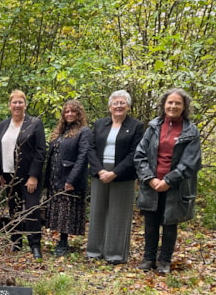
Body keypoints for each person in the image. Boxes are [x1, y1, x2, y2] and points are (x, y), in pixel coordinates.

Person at [134, 88, 201, 273]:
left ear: (184, 106)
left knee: (170, 224)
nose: (173, 106)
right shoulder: (153, 127)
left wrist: (168, 181)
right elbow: (139, 155)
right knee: (150, 223)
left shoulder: (191, 131)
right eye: (170, 102)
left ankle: (164, 261)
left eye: (177, 103)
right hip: (151, 184)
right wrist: (149, 178)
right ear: (164, 105)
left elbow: (190, 162)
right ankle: (148, 259)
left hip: (175, 187)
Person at [86, 90, 144, 264]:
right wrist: (100, 171)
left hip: (122, 175)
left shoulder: (136, 126)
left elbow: (135, 152)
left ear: (128, 106)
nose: (119, 106)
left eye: (122, 103)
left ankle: (115, 255)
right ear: (110, 106)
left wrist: (115, 172)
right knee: (97, 212)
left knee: (118, 215)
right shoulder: (99, 124)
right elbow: (90, 148)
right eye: (115, 103)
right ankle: (94, 252)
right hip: (100, 173)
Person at [0, 90, 46, 260]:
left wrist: (33, 175)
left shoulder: (34, 123)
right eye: (14, 102)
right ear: (9, 105)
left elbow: (40, 151)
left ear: (25, 104)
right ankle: (16, 241)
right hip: (9, 175)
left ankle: (35, 244)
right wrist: (0, 173)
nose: (17, 105)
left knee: (31, 209)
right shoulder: (2, 125)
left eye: (20, 102)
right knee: (13, 209)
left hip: (28, 175)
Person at [45, 100, 91, 256]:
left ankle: (63, 243)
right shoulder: (60, 131)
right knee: (58, 210)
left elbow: (83, 157)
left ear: (79, 114)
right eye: (67, 111)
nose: (70, 114)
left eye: (73, 111)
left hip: (70, 176)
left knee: (67, 211)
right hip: (55, 175)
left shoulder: (84, 131)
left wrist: (71, 179)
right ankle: (59, 240)